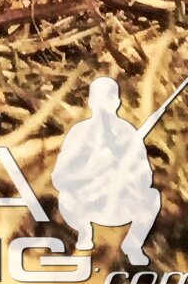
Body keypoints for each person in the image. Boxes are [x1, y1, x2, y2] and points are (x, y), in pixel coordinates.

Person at [52, 76, 158, 264]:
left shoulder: (128, 132)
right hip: (86, 205)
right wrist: (91, 172)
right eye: (99, 100)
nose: (103, 106)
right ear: (90, 102)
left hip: (121, 205)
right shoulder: (78, 133)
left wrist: (127, 175)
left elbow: (146, 176)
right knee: (65, 198)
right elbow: (59, 178)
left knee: (153, 198)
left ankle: (132, 245)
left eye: (108, 99)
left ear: (116, 102)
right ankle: (84, 240)